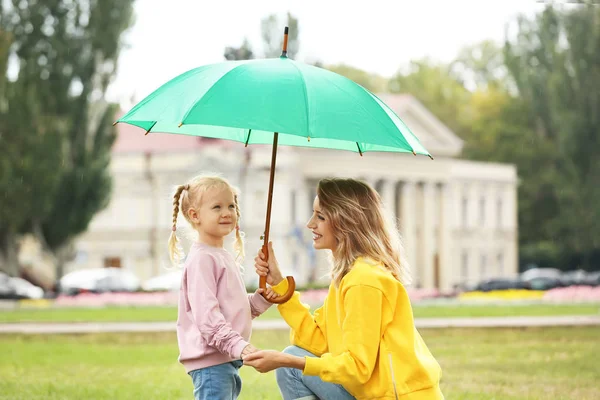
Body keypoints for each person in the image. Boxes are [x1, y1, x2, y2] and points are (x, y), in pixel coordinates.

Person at [244, 178, 443, 400]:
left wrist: (286, 361)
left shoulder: (363, 281)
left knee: (290, 364)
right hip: (370, 393)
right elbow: (319, 342)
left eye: (320, 216)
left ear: (346, 222)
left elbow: (357, 368)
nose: (310, 224)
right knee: (291, 360)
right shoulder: (349, 275)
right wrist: (279, 282)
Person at [170, 175, 271, 400]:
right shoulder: (202, 260)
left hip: (225, 360)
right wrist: (239, 346)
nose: (227, 212)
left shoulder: (221, 256)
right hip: (212, 363)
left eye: (231, 205)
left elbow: (234, 310)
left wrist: (262, 299)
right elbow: (208, 319)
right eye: (217, 207)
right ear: (194, 215)